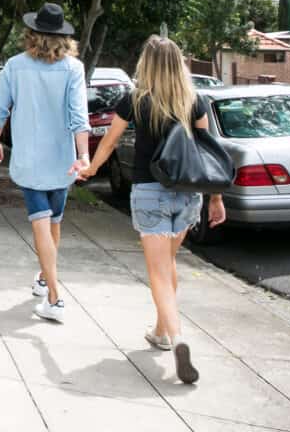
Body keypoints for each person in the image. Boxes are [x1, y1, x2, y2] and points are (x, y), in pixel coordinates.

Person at [75, 35, 225, 384]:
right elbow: (209, 152)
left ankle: (178, 338)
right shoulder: (195, 100)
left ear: (147, 64)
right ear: (179, 64)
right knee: (169, 265)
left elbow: (110, 142)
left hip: (149, 191)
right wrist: (216, 199)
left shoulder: (135, 100)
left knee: (158, 272)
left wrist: (90, 169)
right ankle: (161, 331)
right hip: (188, 194)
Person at [0, 3, 90, 323]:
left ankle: (55, 299)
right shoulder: (74, 69)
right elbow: (79, 117)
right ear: (64, 37)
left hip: (30, 162)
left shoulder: (15, 66)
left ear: (32, 33)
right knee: (53, 223)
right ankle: (45, 278)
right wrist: (84, 155)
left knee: (41, 225)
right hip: (62, 162)